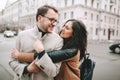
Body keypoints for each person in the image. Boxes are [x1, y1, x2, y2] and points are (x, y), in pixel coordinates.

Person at [11, 19, 88, 80]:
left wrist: (19, 55)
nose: (63, 29)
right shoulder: (65, 43)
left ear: (74, 34)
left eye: (67, 28)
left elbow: (47, 56)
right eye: (64, 26)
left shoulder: (72, 50)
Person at [9, 5, 64, 80]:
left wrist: (42, 53)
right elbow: (12, 61)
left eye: (56, 21)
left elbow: (54, 72)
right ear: (40, 18)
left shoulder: (58, 40)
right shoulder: (22, 35)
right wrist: (26, 69)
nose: (54, 24)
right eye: (51, 20)